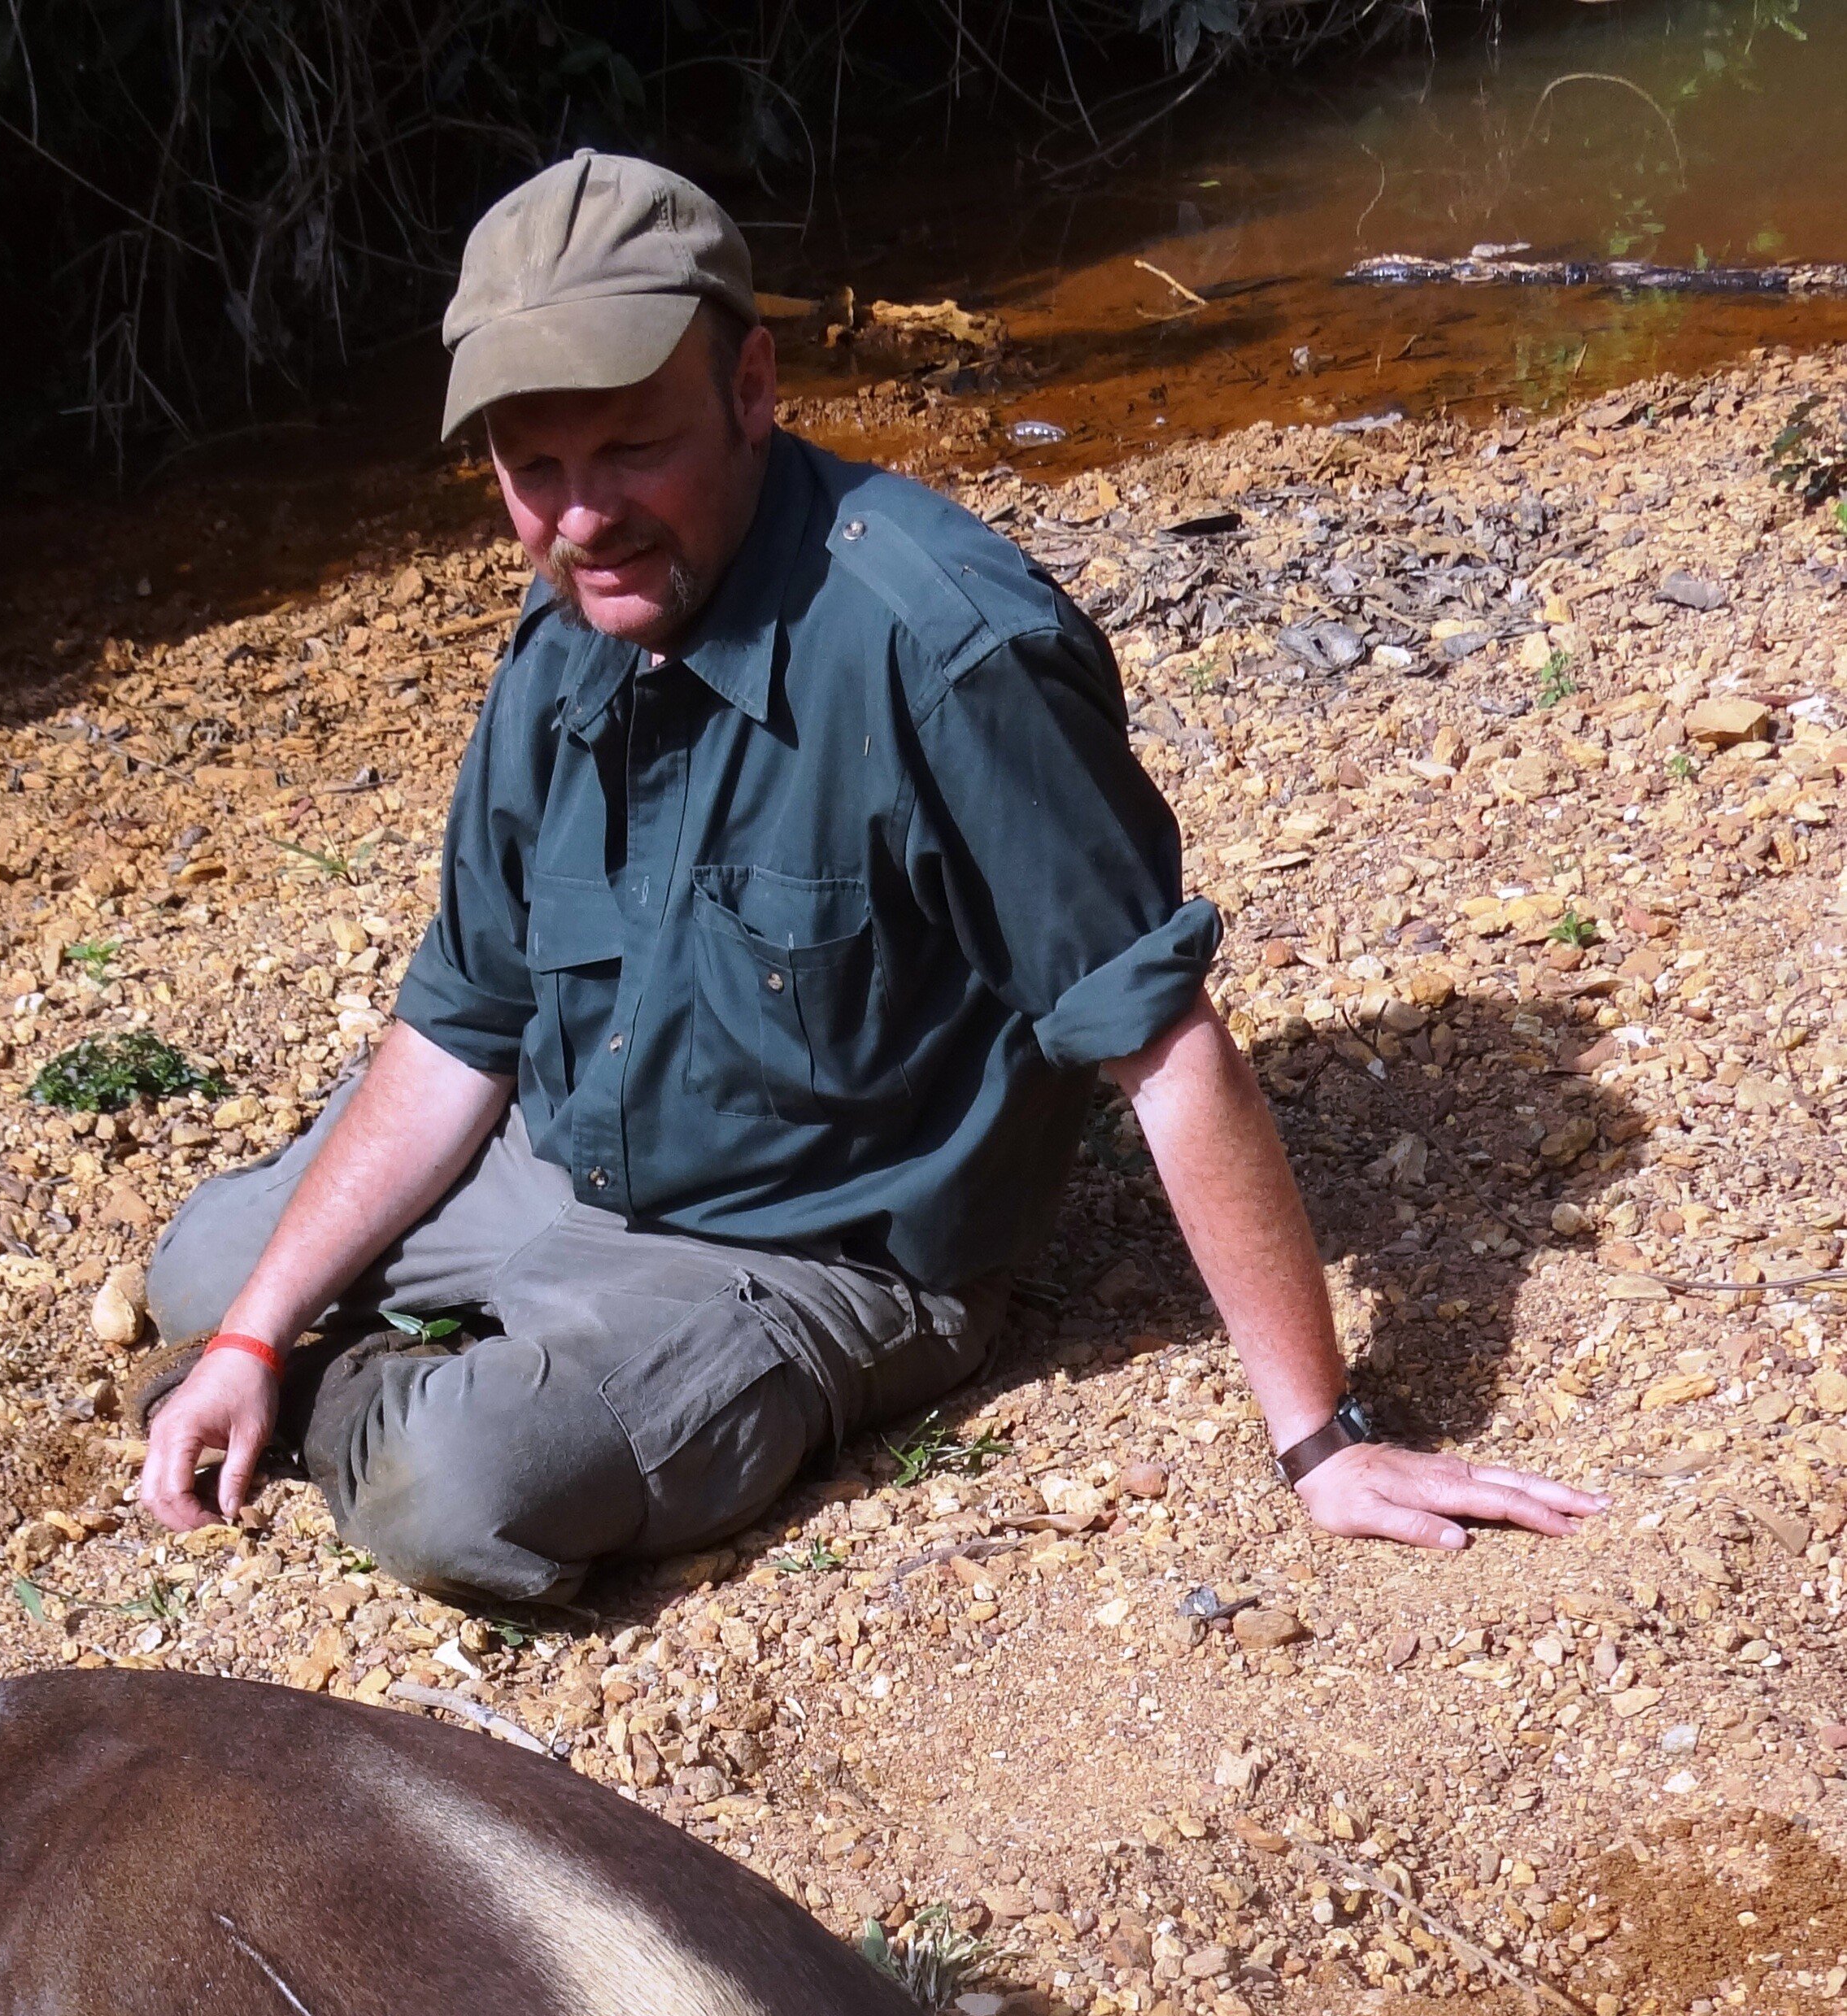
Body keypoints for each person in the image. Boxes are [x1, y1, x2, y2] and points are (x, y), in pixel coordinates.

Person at [137, 150, 1604, 1608]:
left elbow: (1162, 1045)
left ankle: (394, 1392)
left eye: (632, 449)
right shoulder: (571, 623)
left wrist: (1324, 1439)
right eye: (536, 470)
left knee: (455, 1493)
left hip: (808, 1250)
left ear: (753, 388)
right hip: (566, 1148)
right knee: (206, 1274)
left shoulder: (949, 651)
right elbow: (463, 1025)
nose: (582, 521)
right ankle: (343, 1362)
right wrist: (260, 1337)